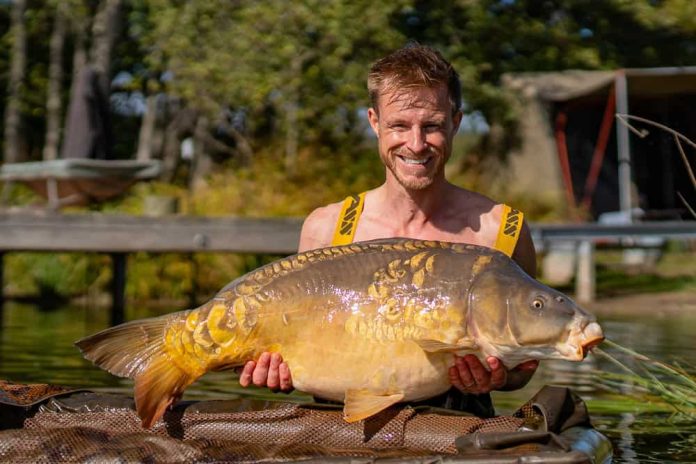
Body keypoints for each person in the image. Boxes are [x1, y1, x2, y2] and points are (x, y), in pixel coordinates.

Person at [238, 44, 539, 416]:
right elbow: (298, 345)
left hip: (459, 432)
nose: (415, 144)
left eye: (431, 126)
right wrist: (276, 372)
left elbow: (523, 364)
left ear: (455, 123)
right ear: (374, 122)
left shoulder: (503, 229)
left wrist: (499, 378)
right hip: (341, 433)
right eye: (399, 125)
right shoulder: (328, 228)